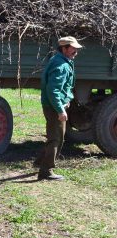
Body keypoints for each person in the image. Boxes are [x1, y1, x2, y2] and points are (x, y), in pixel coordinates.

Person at [36, 36, 83, 180]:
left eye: (76, 48)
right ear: (64, 48)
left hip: (53, 105)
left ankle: (40, 162)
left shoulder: (60, 60)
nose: (76, 51)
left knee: (53, 136)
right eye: (73, 48)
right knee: (57, 139)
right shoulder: (61, 65)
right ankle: (46, 171)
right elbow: (53, 90)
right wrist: (60, 110)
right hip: (54, 107)